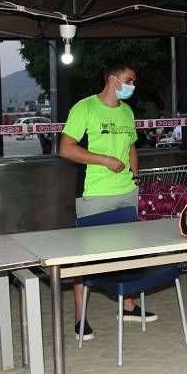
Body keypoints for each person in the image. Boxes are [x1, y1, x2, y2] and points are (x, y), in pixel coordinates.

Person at [59, 61, 156, 341]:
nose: (132, 86)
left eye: (134, 81)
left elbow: (131, 147)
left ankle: (127, 306)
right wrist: (103, 160)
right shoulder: (85, 108)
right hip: (95, 193)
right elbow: (66, 149)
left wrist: (135, 177)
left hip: (126, 193)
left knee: (128, 253)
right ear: (113, 79)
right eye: (129, 80)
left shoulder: (127, 111)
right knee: (87, 258)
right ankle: (80, 319)